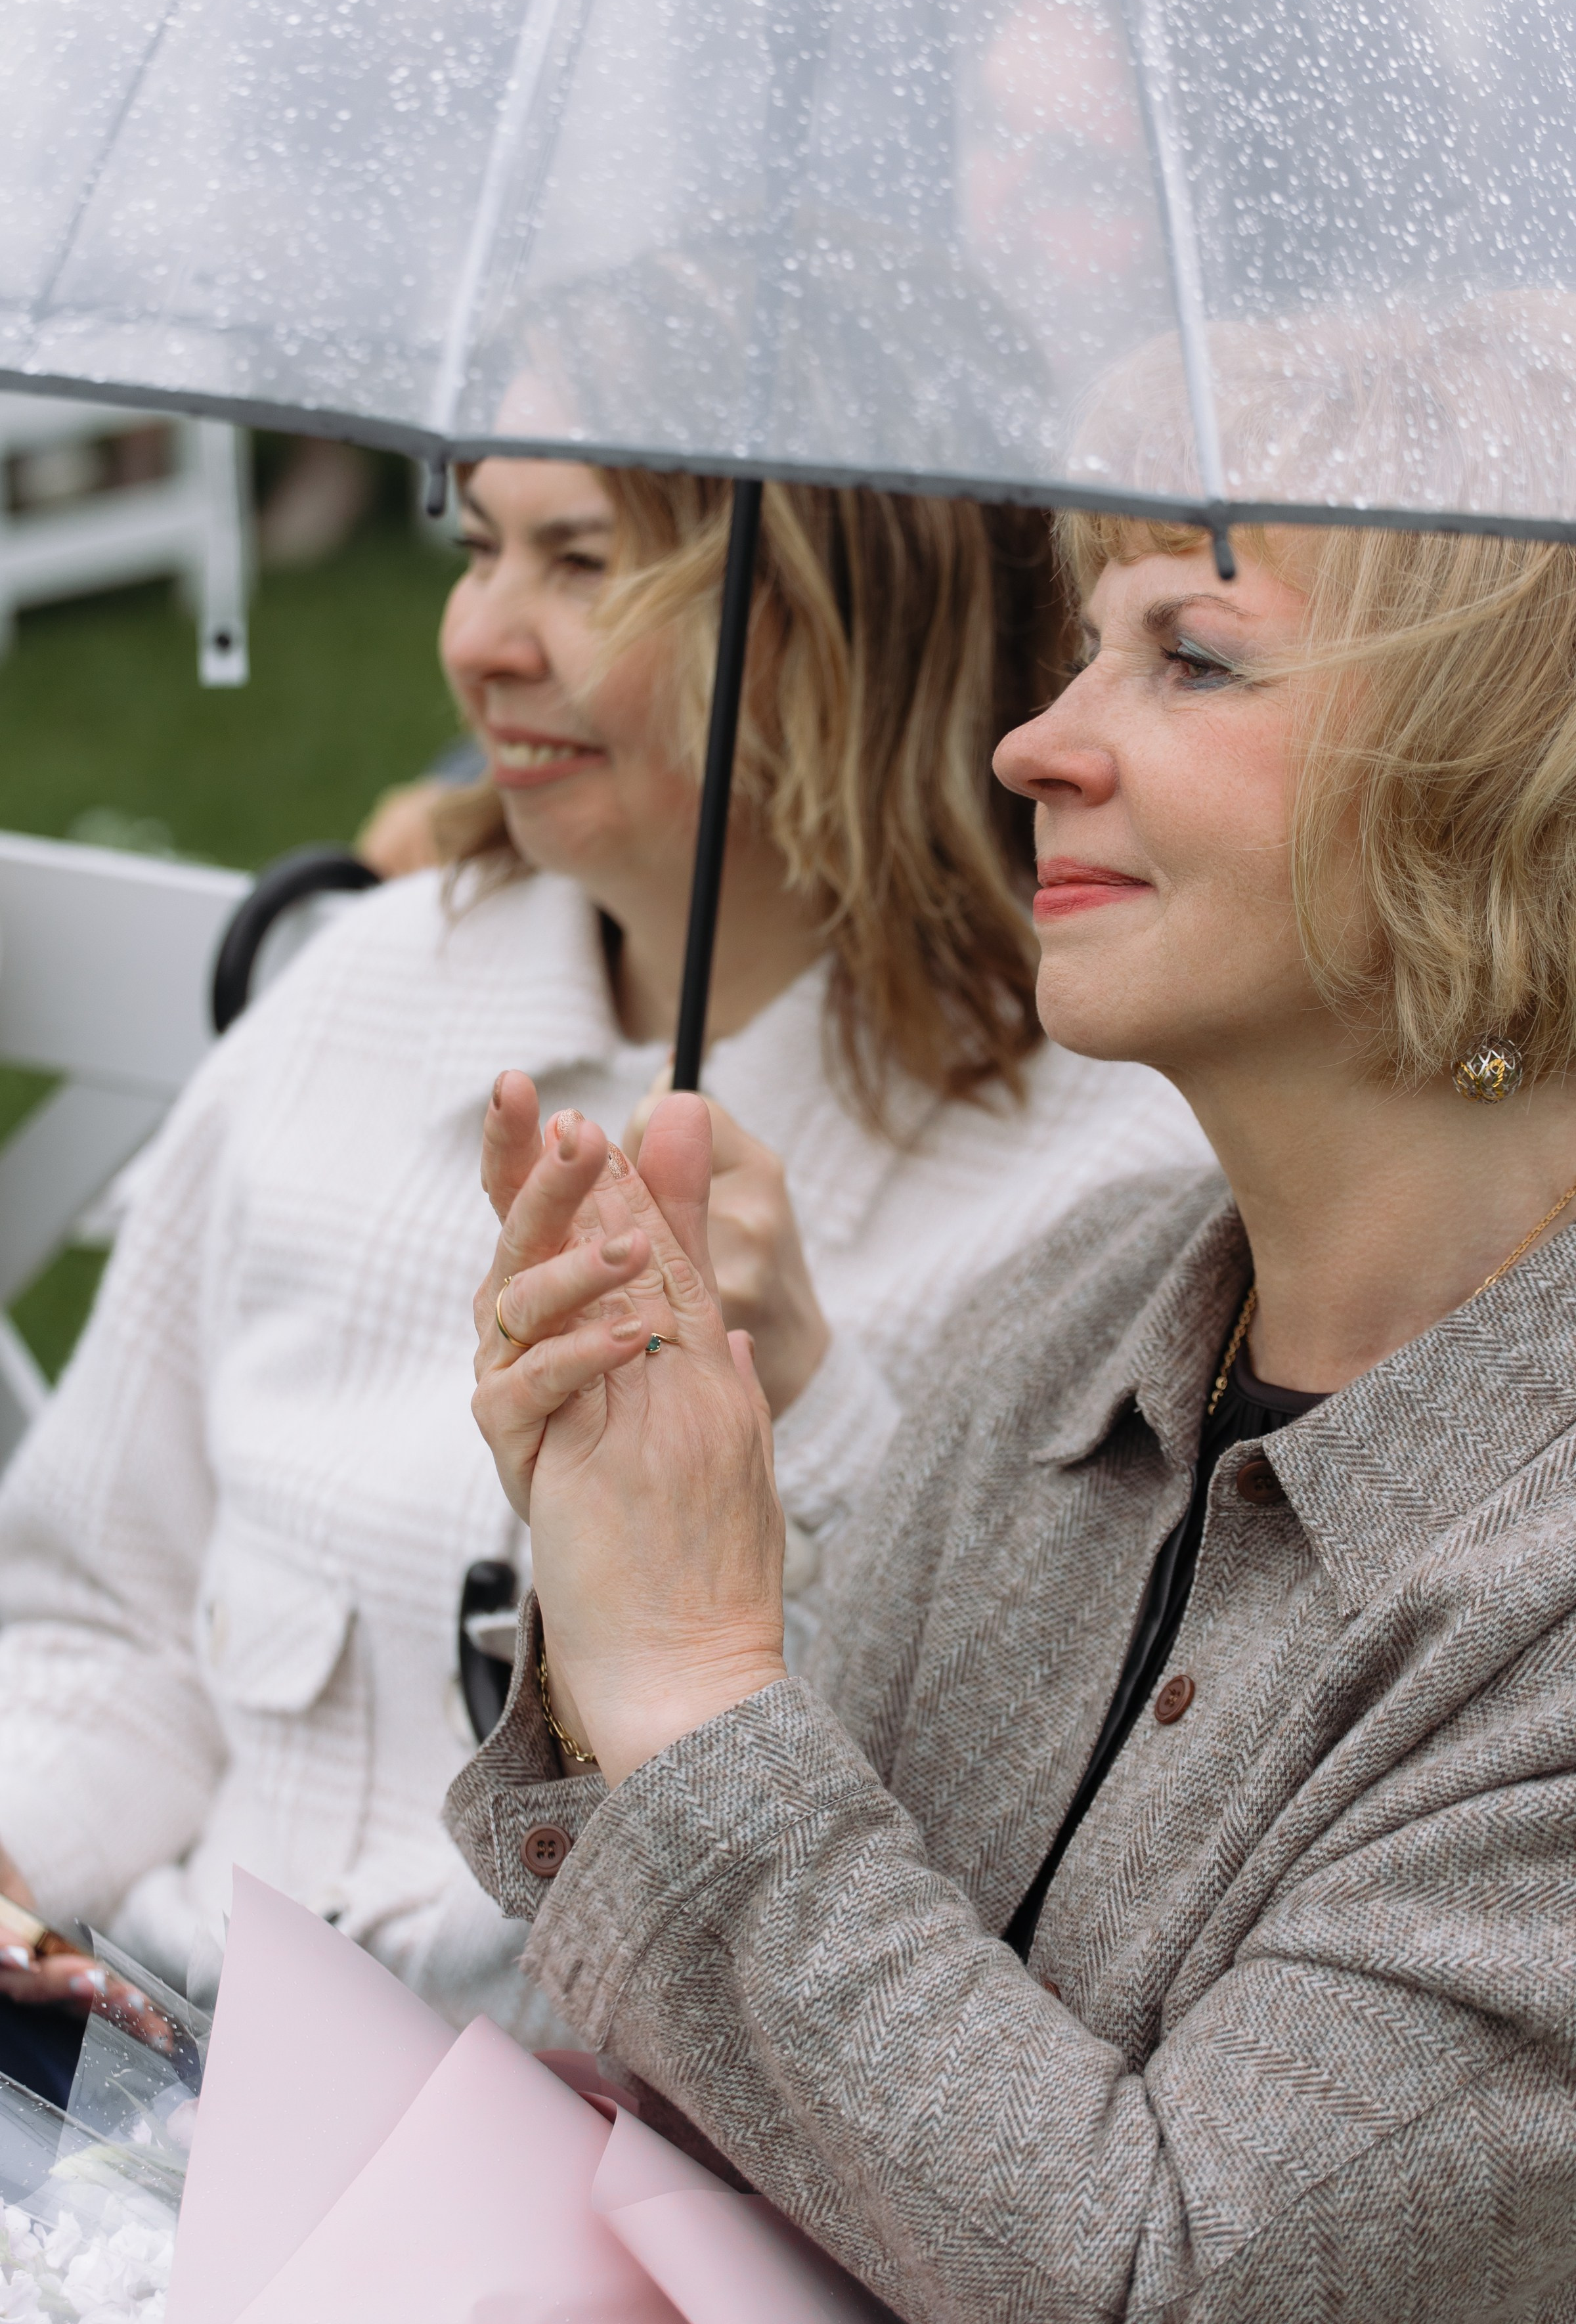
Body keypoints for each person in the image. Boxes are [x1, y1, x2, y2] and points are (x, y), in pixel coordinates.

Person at [449, 312, 1576, 2319]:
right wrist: (634, 1573)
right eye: (1083, 647)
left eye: (1194, 657)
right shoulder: (1072, 1320)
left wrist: (694, 1689)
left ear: (1506, 777)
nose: (1033, 742)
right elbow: (735, 2101)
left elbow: (1166, 2281)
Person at [0, 458, 1208, 2069]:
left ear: (838, 626)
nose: (477, 639)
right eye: (476, 548)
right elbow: (100, 1613)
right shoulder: (361, 998)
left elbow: (1005, 1844)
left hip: (629, 2163)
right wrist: (23, 1856)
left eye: (582, 564)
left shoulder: (1104, 1171)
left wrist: (812, 1418)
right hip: (137, 2070)